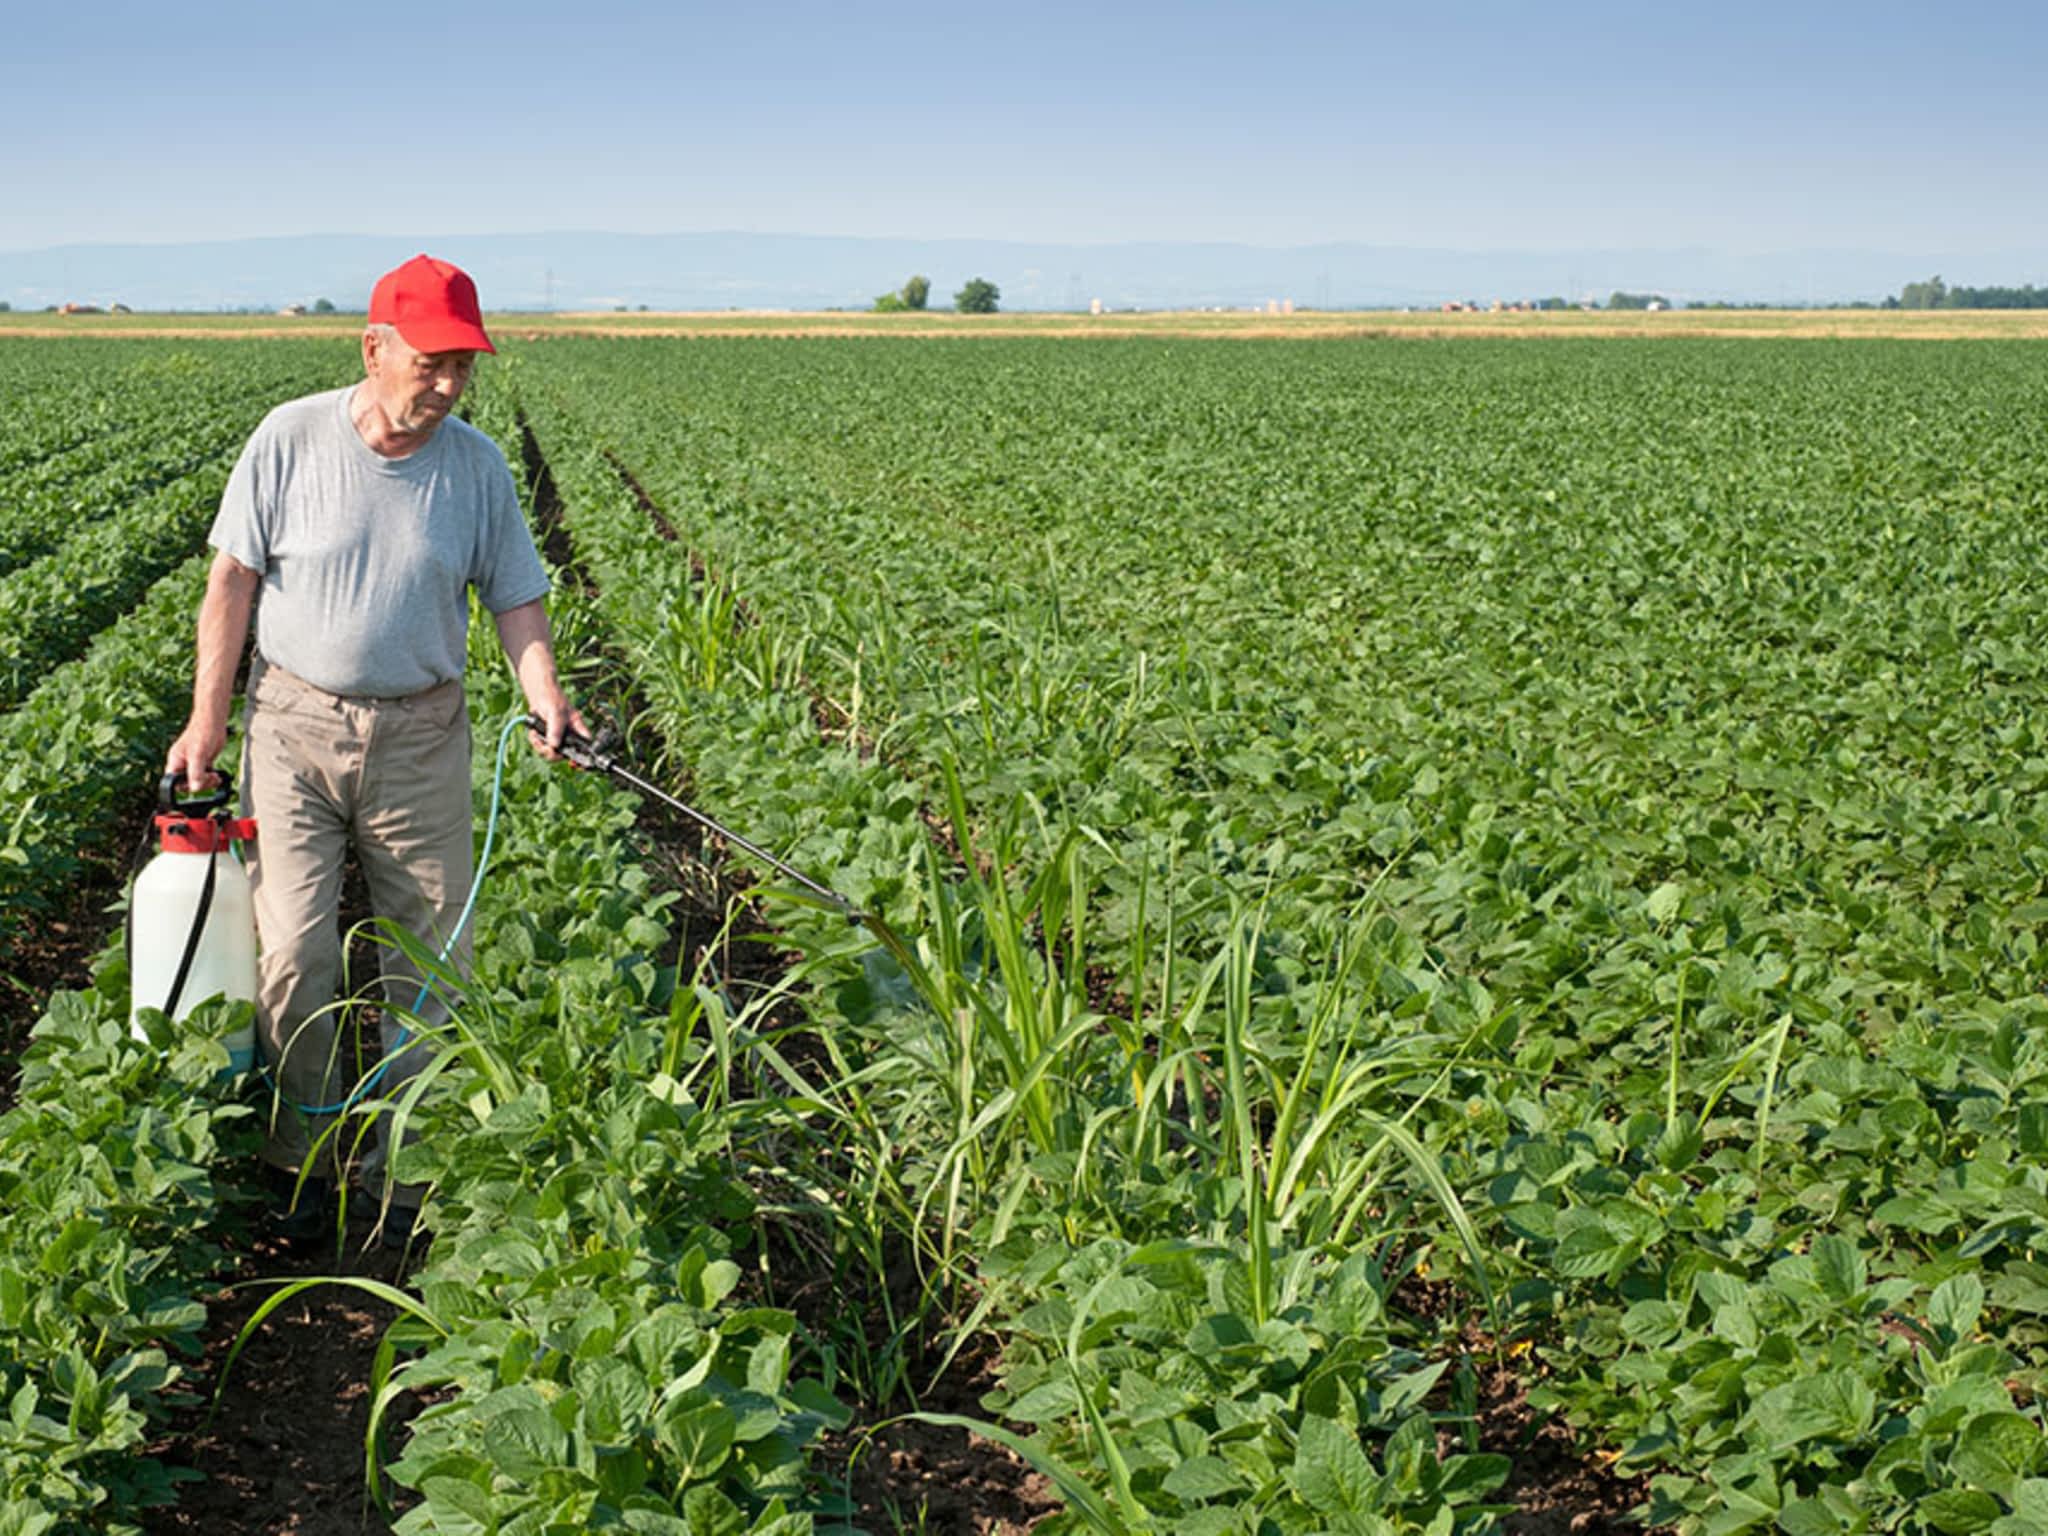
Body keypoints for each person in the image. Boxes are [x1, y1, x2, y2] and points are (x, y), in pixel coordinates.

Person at [163, 253, 584, 1247]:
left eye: (462, 367)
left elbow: (516, 596)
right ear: (373, 349)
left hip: (421, 736)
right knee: (295, 949)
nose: (446, 386)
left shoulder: (476, 467)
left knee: (430, 960)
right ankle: (301, 1157)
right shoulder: (290, 438)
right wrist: (205, 721)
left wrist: (546, 698)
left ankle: (408, 1171)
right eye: (430, 363)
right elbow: (230, 584)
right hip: (294, 726)